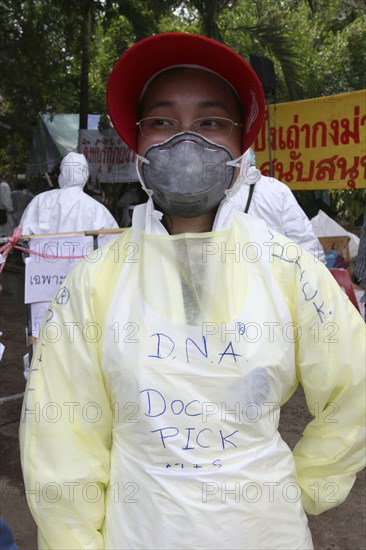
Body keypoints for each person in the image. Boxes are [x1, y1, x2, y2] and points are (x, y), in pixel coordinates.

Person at [20, 33, 365, 550]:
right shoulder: (95, 282)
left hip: (265, 533)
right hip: (140, 534)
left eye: (209, 122)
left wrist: (302, 487)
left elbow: (353, 385)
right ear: (137, 143)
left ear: (239, 143)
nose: (185, 141)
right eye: (162, 121)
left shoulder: (288, 269)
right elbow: (62, 438)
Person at [232, 148, 325, 262]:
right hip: (276, 276)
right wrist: (316, 273)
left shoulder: (215, 195)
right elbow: (304, 241)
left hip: (230, 275)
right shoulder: (277, 189)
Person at [19, 152, 118, 234]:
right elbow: (113, 242)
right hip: (84, 258)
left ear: (62, 173)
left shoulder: (40, 201)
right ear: (85, 175)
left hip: (42, 257)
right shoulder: (97, 209)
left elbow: (22, 235)